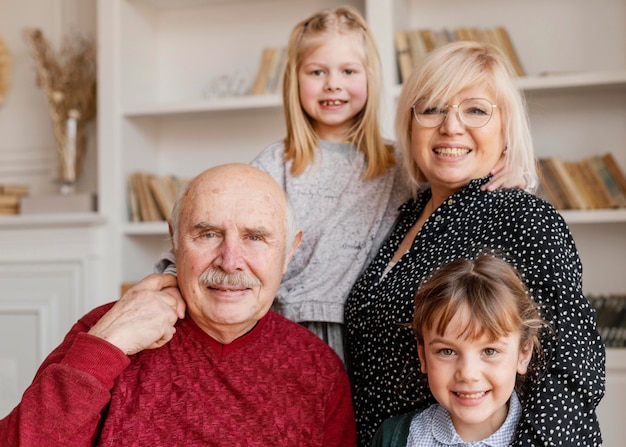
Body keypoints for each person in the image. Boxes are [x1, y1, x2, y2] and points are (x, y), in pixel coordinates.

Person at [155, 7, 519, 362]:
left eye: (348, 70)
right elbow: (218, 227)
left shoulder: (399, 163)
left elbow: (453, 171)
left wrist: (507, 166)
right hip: (280, 322)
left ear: (370, 77)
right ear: (294, 79)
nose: (333, 84)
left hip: (362, 332)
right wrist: (170, 280)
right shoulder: (274, 164)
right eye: (317, 71)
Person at [344, 40, 605, 446]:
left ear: (506, 131)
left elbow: (572, 363)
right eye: (432, 108)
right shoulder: (404, 214)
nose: (451, 126)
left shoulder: (521, 216)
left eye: (477, 110)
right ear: (410, 124)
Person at [0, 163, 357, 446]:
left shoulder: (317, 368)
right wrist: (107, 345)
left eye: (255, 237)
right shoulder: (107, 330)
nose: (230, 261)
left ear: (290, 250)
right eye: (208, 235)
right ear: (174, 237)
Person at [371, 254, 547, 446]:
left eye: (489, 351)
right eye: (447, 351)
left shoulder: (549, 438)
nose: (468, 374)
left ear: (523, 353)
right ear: (423, 355)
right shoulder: (394, 437)